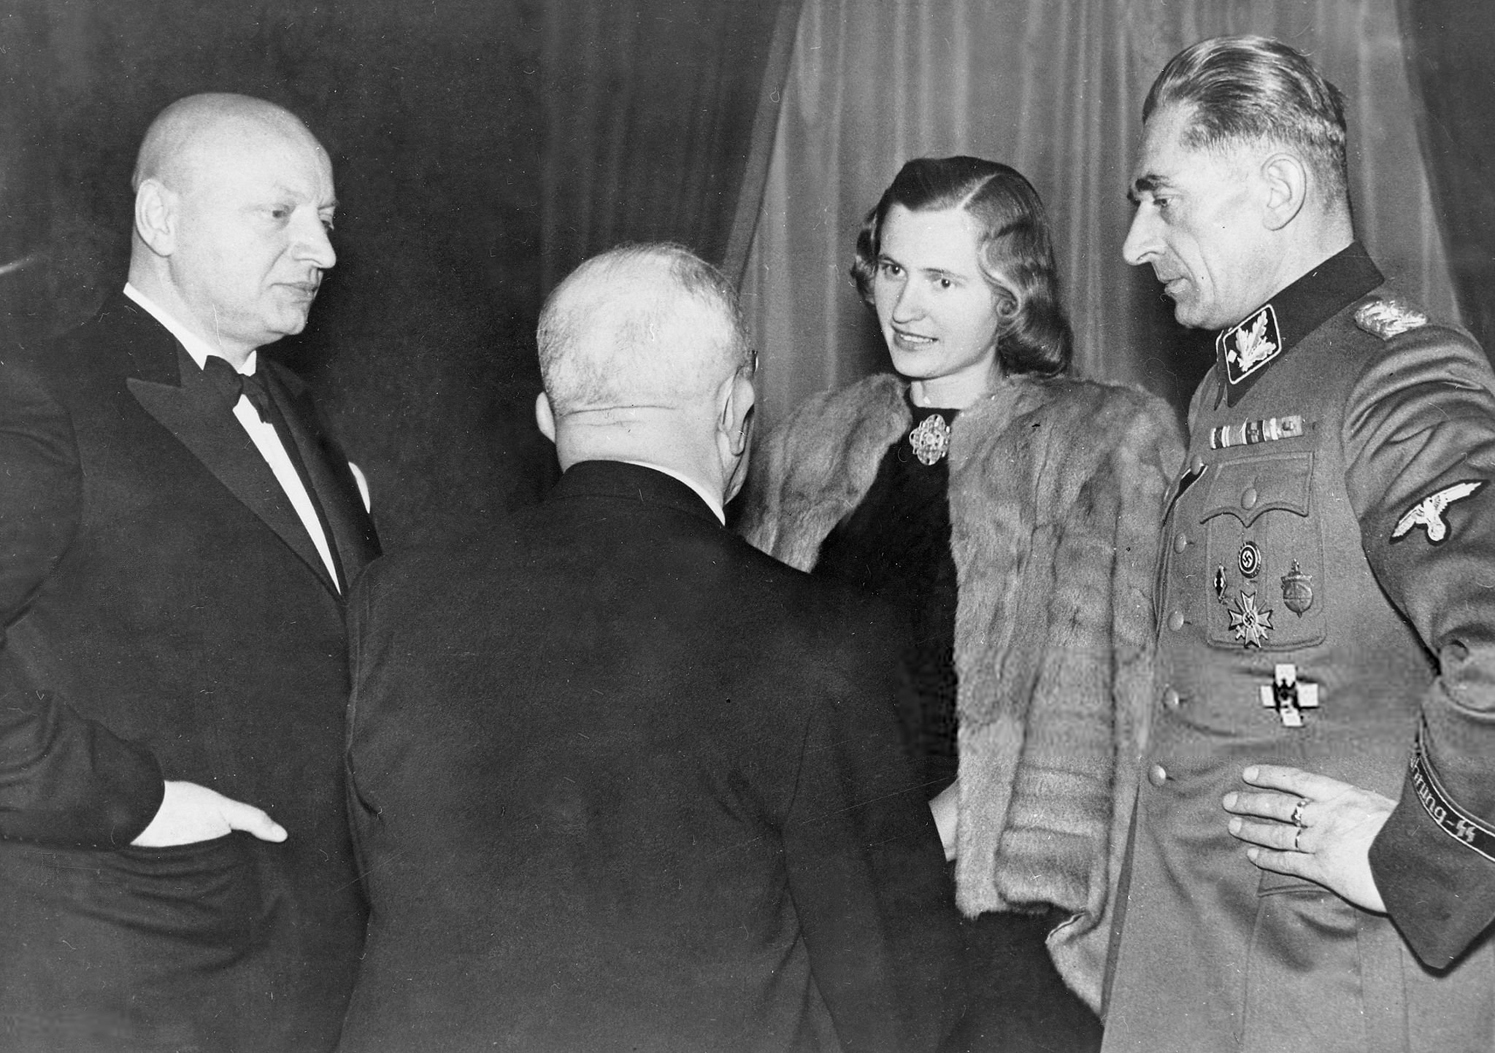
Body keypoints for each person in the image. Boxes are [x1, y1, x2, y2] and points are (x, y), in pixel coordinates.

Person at [337, 242, 962, 1053]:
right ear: (735, 413)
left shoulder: (394, 600)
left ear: (548, 416)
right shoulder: (823, 638)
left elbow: (384, 876)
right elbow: (899, 997)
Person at [1104, 35, 1495, 1052]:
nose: (1136, 243)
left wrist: (1416, 858)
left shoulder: (1395, 376)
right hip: (1213, 967)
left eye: (1162, 201)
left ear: (1277, 189)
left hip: (1332, 989)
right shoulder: (1232, 385)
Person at [739, 157, 1182, 1051]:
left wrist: (916, 835)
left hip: (1002, 904)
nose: (905, 306)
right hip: (822, 889)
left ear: (1011, 295)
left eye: (943, 280)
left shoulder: (1098, 441)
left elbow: (1090, 714)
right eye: (891, 269)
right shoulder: (812, 440)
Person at [0, 93, 379, 1051]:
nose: (322, 251)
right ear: (161, 218)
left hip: (309, 978)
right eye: (279, 213)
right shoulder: (40, 396)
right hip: (134, 981)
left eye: (326, 219)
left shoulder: (301, 413)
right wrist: (136, 802)